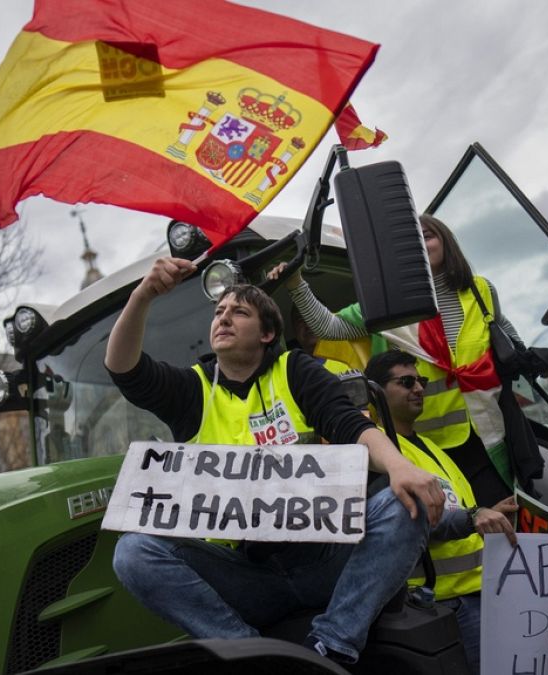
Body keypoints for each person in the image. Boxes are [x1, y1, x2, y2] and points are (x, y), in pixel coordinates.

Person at [105, 256, 447, 664]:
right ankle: (250, 655)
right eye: (218, 313)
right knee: (132, 553)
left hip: (324, 559)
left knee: (400, 502)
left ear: (268, 333)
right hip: (247, 574)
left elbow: (348, 425)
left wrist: (399, 466)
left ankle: (332, 646)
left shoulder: (295, 369)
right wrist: (143, 295)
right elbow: (124, 370)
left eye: (240, 312)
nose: (224, 319)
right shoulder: (192, 388)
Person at [270, 214, 524, 510]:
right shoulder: (386, 301)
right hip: (425, 446)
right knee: (461, 529)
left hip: (490, 434)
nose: (419, 243)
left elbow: (501, 328)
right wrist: (296, 283)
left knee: (506, 522)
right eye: (409, 241)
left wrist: (524, 357)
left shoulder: (480, 290)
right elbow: (329, 328)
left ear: (446, 242)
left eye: (427, 235)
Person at [364, 349, 517, 674]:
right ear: (374, 391)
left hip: (476, 593)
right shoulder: (378, 454)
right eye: (406, 382)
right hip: (440, 603)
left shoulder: (431, 449)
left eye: (420, 381)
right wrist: (473, 519)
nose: (418, 388)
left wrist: (486, 513)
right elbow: (401, 521)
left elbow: (453, 509)